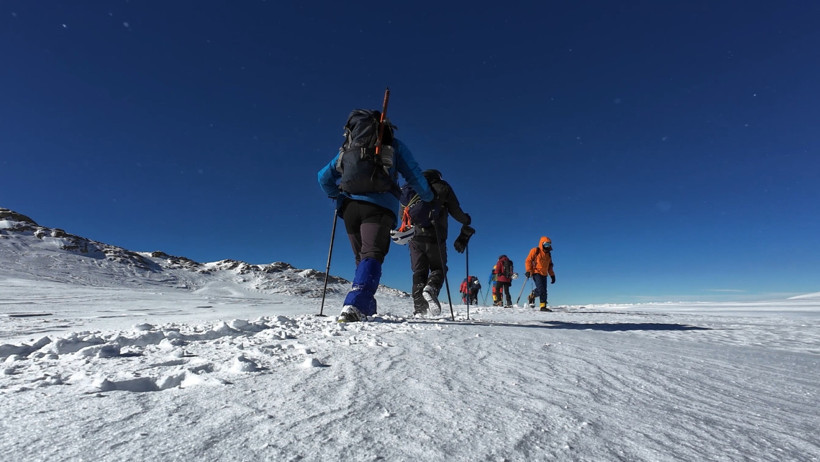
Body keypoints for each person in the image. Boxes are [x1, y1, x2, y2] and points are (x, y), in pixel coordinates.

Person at [318, 109, 433, 322]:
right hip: (380, 206)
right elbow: (414, 175)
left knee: (362, 257)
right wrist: (428, 197)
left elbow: (323, 177)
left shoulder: (348, 149)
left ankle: (367, 304)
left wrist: (338, 197)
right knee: (372, 254)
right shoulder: (393, 146)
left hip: (350, 208)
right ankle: (356, 304)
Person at [405, 169, 473, 316]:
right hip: (435, 235)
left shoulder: (412, 187)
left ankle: (420, 309)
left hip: (414, 237)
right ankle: (431, 287)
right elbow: (455, 210)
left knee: (419, 271)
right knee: (439, 268)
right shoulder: (442, 186)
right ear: (437, 176)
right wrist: (466, 220)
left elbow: (404, 213)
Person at [524, 236, 556, 311]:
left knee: (543, 290)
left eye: (548, 244)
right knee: (542, 289)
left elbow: (550, 266)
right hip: (536, 272)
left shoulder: (548, 254)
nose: (547, 246)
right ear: (542, 244)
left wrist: (552, 275)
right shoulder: (535, 250)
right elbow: (528, 260)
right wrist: (528, 270)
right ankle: (543, 306)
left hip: (544, 274)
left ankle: (532, 295)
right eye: (545, 244)